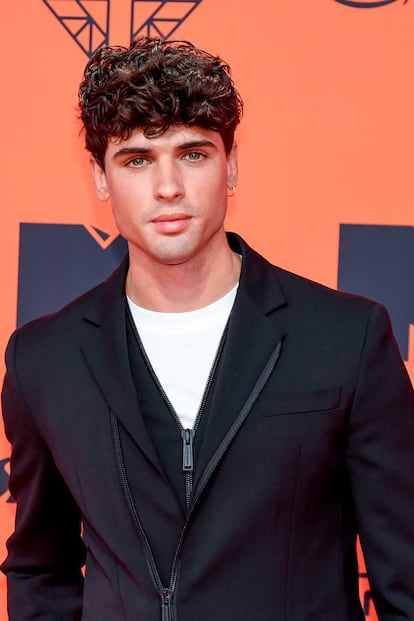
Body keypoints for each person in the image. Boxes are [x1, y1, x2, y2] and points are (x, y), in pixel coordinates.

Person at [1, 36, 414, 621]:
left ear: (232, 164)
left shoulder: (347, 339)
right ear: (99, 178)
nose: (168, 187)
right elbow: (41, 570)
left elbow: (406, 579)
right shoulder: (45, 360)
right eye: (137, 159)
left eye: (193, 154)